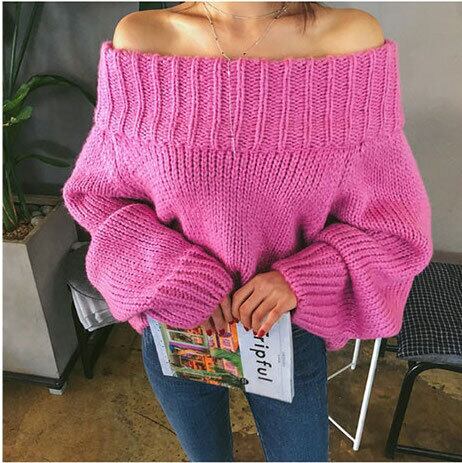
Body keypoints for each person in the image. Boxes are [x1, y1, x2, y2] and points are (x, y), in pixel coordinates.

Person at [62, 2, 433, 461]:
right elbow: (100, 199)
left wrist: (304, 277)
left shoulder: (350, 43)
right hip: (179, 324)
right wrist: (176, 272)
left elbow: (394, 226)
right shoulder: (143, 41)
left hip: (286, 328)